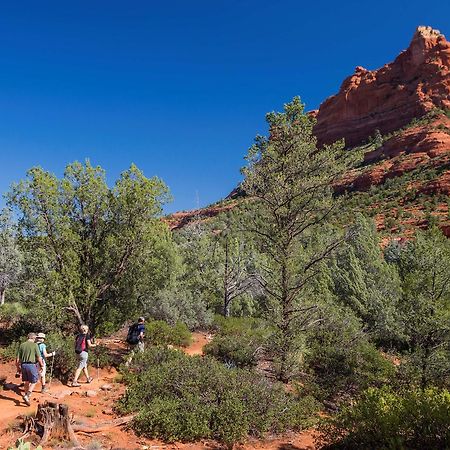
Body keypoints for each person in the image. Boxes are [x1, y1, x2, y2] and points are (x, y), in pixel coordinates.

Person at [16, 332, 44, 406]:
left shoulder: (22, 345)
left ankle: (26, 396)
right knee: (35, 380)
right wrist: (41, 365)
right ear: (33, 338)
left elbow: (17, 359)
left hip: (23, 365)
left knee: (26, 381)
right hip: (31, 365)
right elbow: (39, 357)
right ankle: (27, 395)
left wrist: (18, 368)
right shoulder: (35, 345)